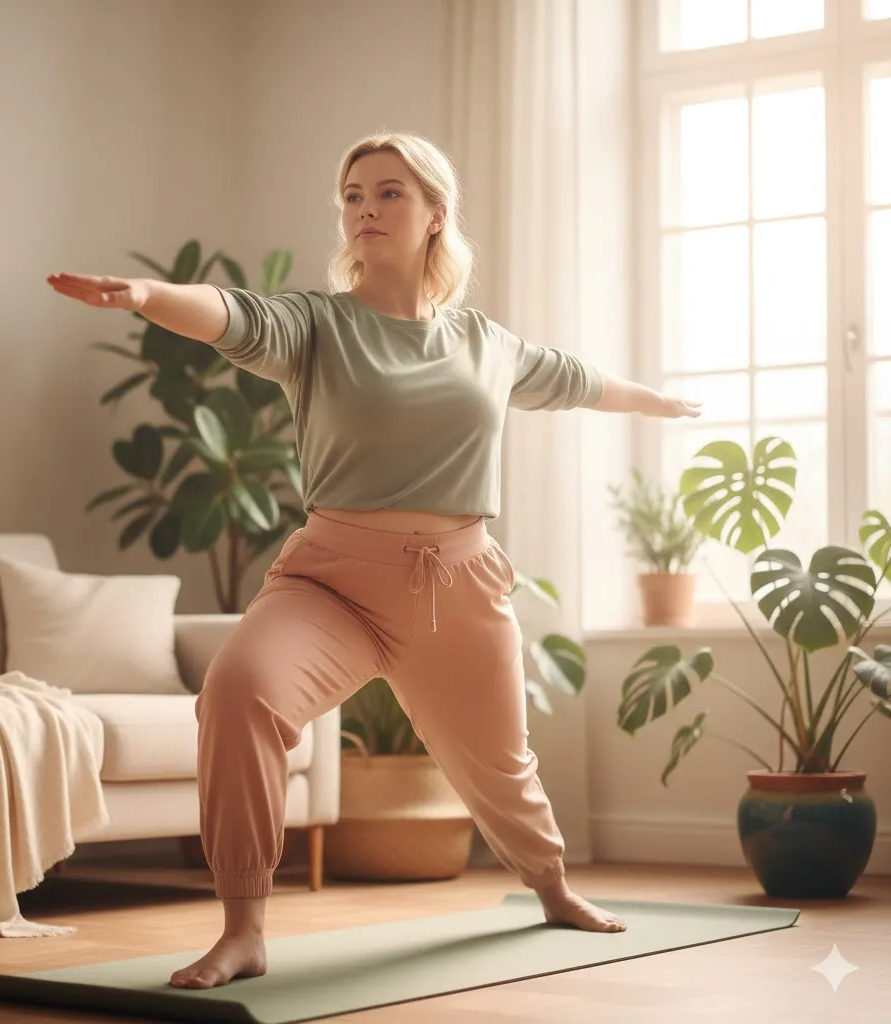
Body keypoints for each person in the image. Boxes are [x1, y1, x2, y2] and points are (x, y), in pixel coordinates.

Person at [47, 130, 700, 990]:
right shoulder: (317, 327)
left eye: (389, 193)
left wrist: (656, 401)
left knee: (503, 769)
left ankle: (552, 887)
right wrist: (146, 296)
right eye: (353, 196)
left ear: (435, 214)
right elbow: (232, 315)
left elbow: (574, 379)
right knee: (237, 691)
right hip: (333, 582)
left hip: (458, 586)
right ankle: (242, 928)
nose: (366, 209)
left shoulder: (485, 342)